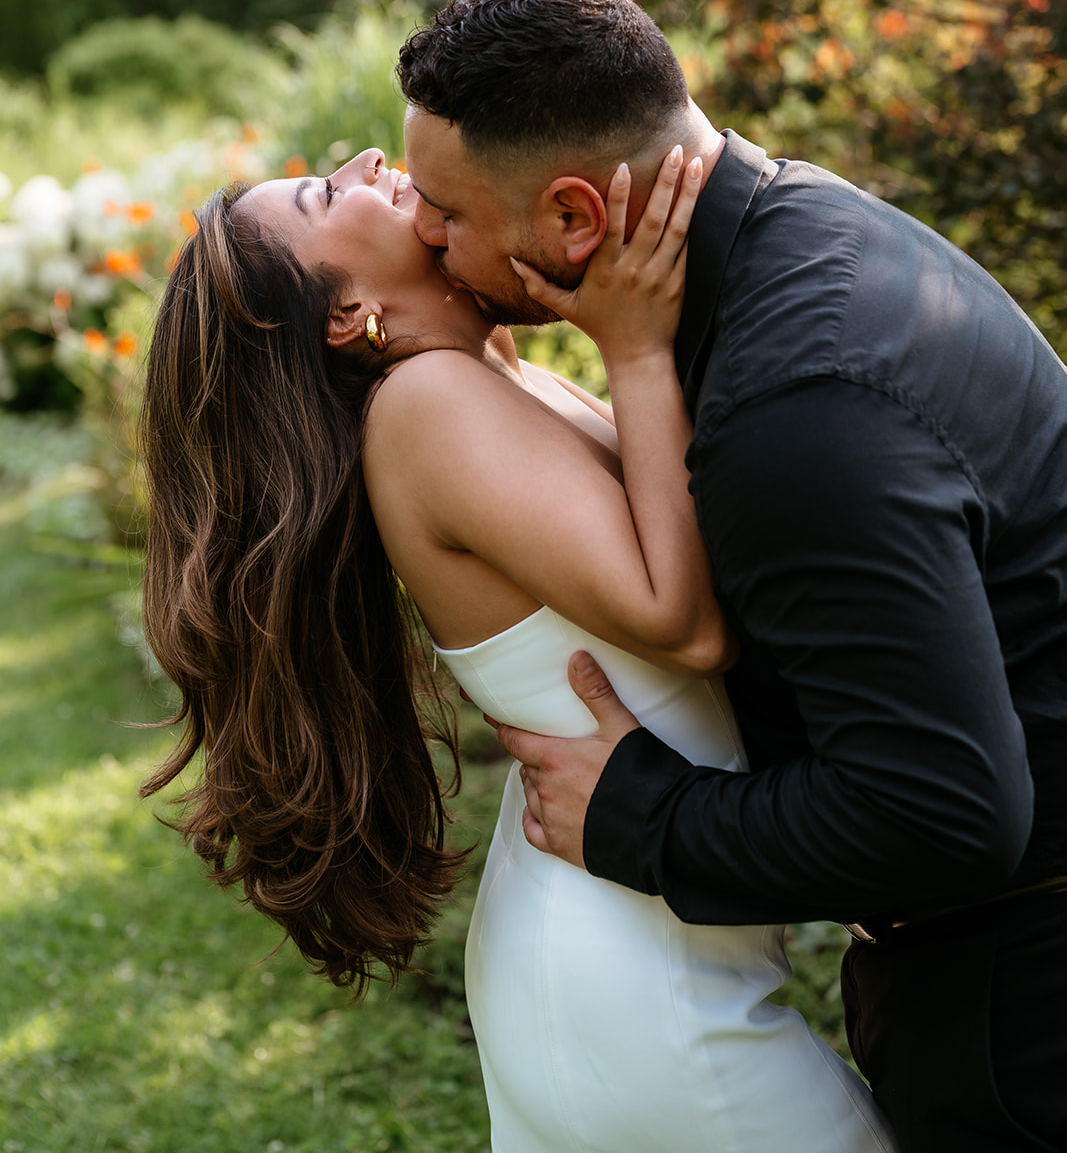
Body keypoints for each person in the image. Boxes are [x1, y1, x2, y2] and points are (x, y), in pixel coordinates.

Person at [397, 0, 1067, 1153]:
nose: (426, 236)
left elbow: (948, 813)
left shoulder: (795, 404)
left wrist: (639, 816)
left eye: (448, 217)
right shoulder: (799, 233)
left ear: (572, 218)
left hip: (1028, 1012)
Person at [140, 142, 896, 1153]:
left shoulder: (483, 378)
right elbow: (684, 617)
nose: (368, 159)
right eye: (329, 193)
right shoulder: (424, 410)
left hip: (639, 944)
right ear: (342, 314)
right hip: (634, 988)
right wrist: (630, 350)